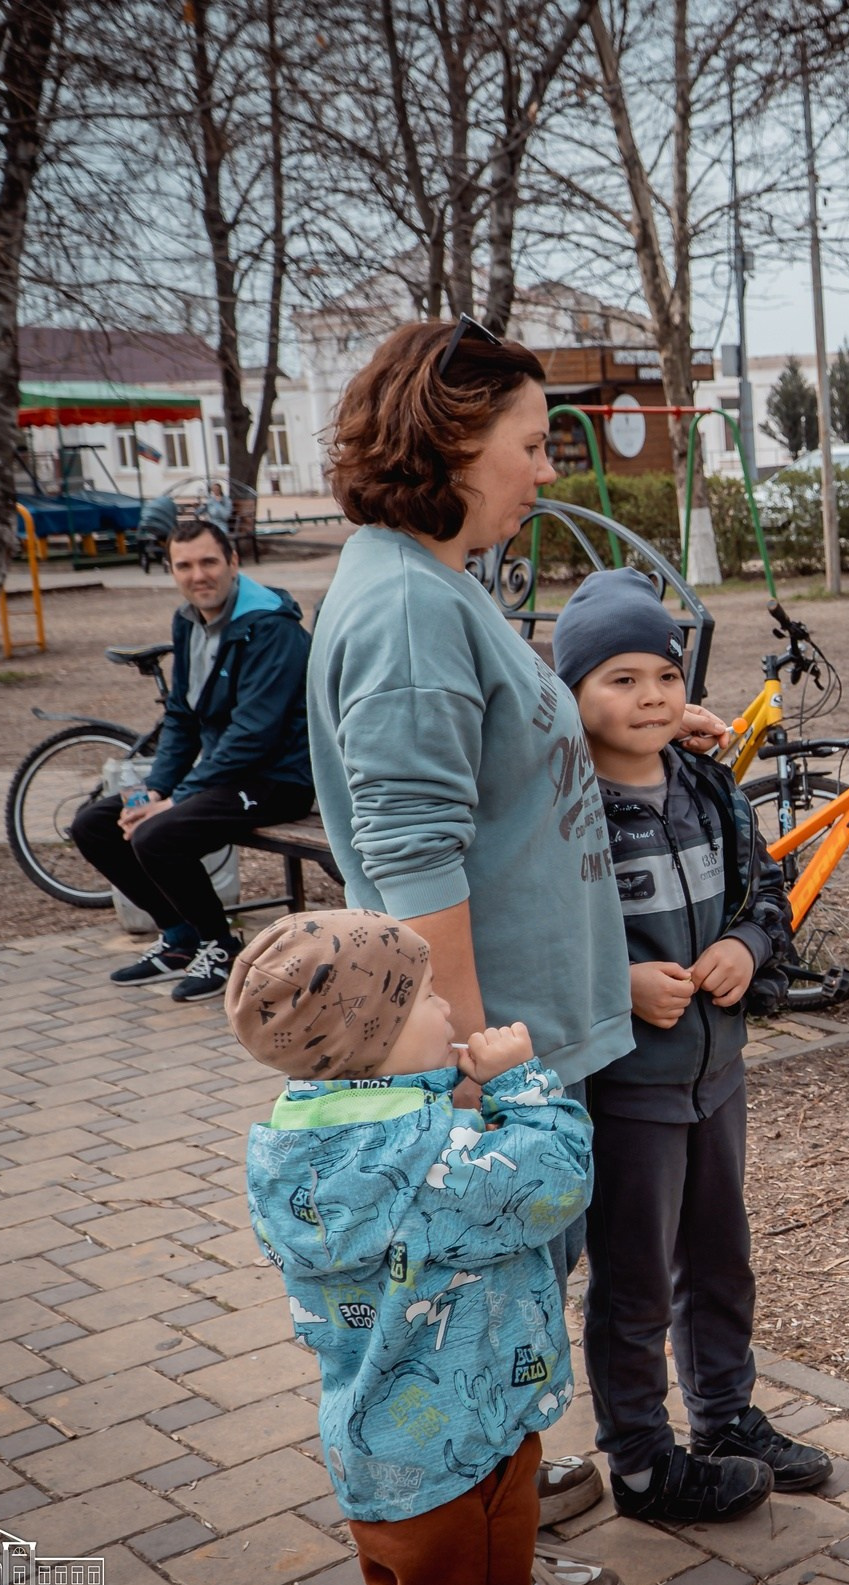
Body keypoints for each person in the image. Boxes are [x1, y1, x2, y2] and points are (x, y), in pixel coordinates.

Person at [308, 316, 668, 1522]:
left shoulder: (432, 583)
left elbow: (499, 768)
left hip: (522, 1038)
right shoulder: (410, 609)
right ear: (455, 441)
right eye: (533, 441)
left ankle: (505, 1482)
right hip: (493, 1053)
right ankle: (479, 1555)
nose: (547, 469)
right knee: (470, 1323)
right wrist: (466, 1078)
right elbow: (416, 862)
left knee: (505, 1320)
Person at [228, 910, 627, 1585]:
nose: (448, 1008)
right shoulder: (439, 1162)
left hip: (369, 1452)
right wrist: (522, 1082)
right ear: (369, 1040)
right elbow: (557, 1177)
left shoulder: (292, 1147)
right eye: (424, 998)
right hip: (461, 1459)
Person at [549, 571, 830, 1528]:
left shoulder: (707, 786)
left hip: (719, 1077)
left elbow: (768, 896)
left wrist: (745, 949)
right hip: (628, 1089)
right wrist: (616, 983)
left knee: (720, 1257)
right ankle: (637, 1457)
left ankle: (723, 1418)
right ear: (571, 697)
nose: (651, 697)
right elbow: (543, 937)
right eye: (619, 679)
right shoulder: (566, 812)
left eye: (664, 674)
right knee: (632, 1277)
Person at [71, 517, 312, 1002]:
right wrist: (157, 789)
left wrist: (178, 799)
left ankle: (222, 949)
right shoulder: (188, 621)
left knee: (160, 833)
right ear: (172, 571)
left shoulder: (270, 628)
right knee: (96, 823)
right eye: (184, 566)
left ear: (234, 563)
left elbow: (255, 734)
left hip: (279, 779)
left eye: (208, 562)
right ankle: (180, 939)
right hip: (228, 775)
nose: (198, 575)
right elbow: (181, 716)